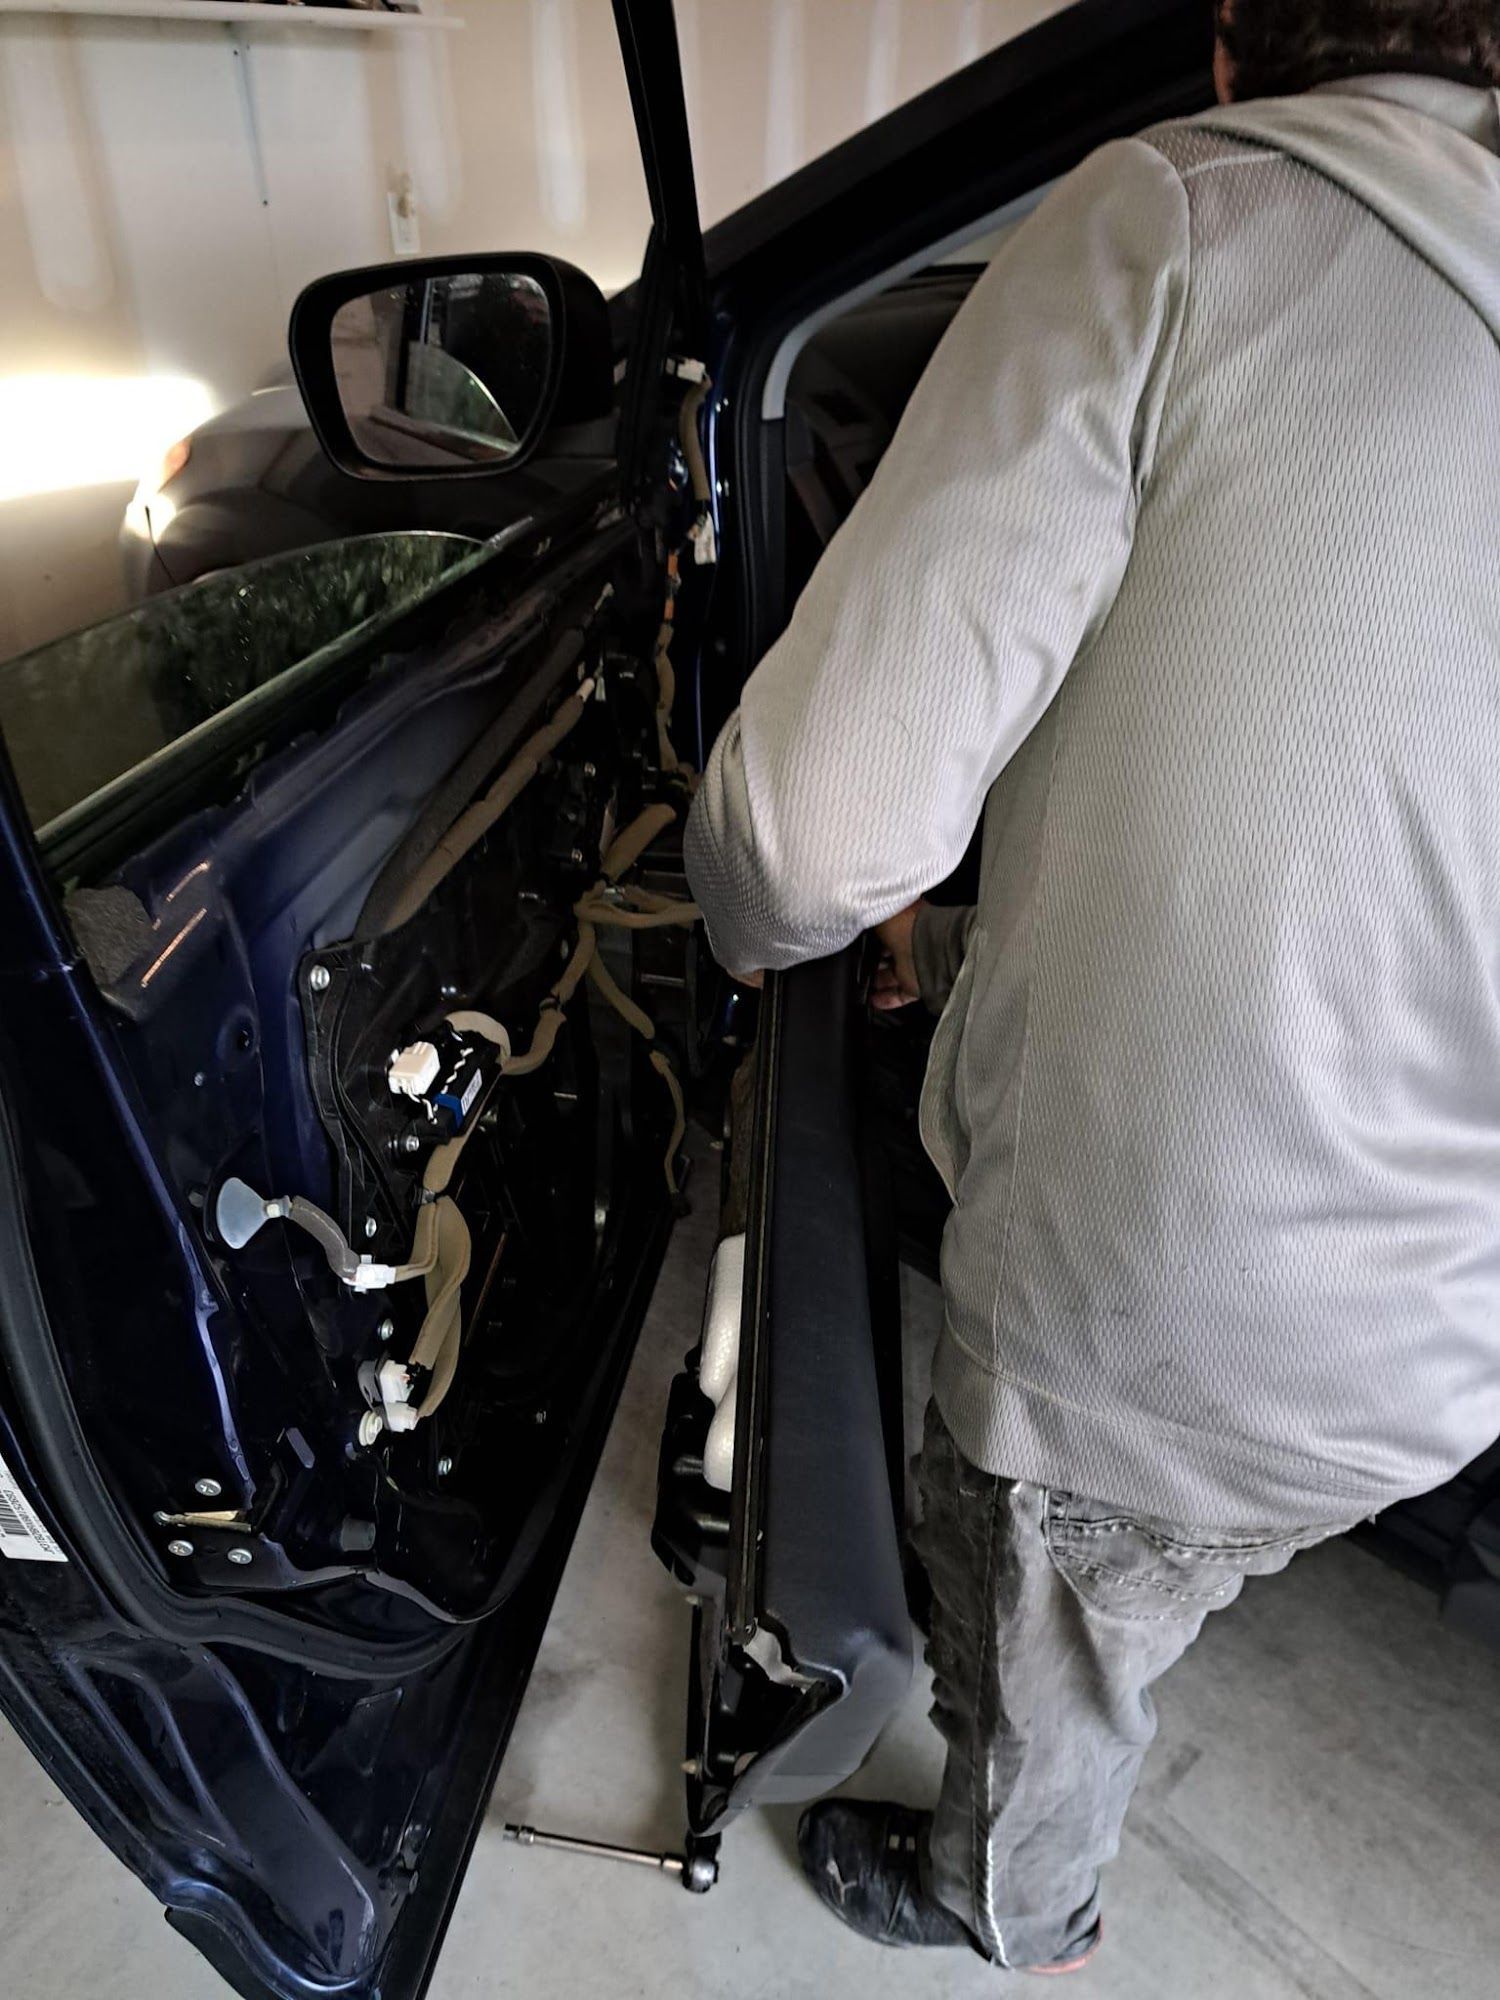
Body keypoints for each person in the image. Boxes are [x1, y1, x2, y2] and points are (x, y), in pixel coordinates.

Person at [683, 0, 1500, 1974]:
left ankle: (1014, 1899)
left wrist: (745, 923)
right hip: (1439, 1327)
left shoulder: (1179, 220)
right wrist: (957, 951)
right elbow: (1371, 838)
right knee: (1175, 1585)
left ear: (1231, 40)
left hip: (1162, 1318)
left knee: (1050, 1651)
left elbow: (803, 834)